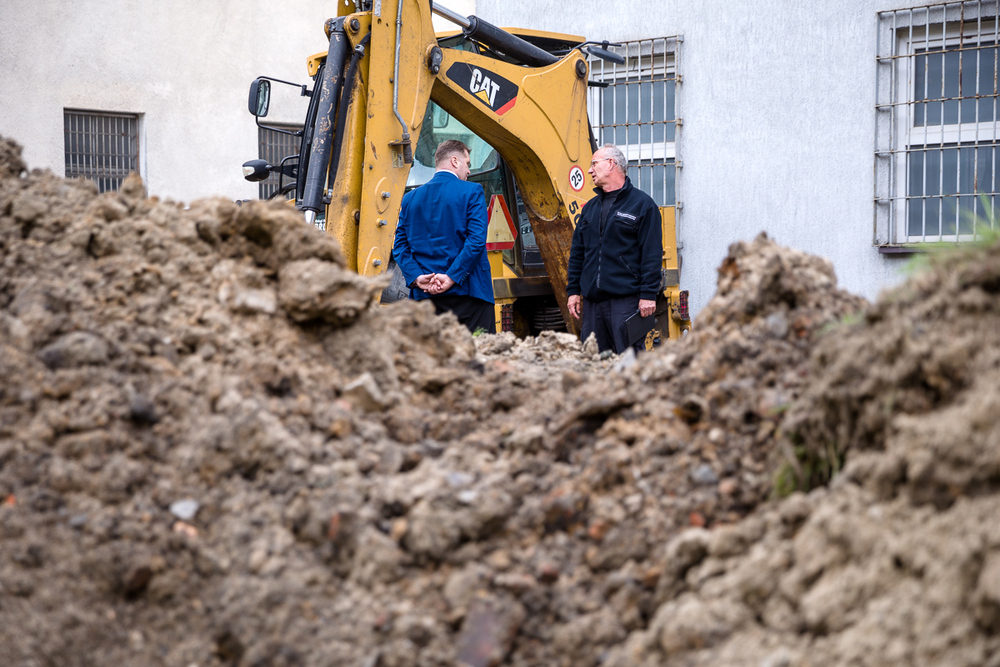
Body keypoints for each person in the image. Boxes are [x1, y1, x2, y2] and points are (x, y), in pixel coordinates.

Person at [392, 139, 496, 333]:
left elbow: (399, 246)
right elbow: (476, 241)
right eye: (467, 163)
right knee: (479, 350)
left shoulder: (410, 199)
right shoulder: (472, 191)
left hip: (424, 298)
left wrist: (416, 277)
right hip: (469, 295)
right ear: (455, 161)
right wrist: (451, 277)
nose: (469, 171)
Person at [566, 144, 663, 353]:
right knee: (593, 361)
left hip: (625, 302)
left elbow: (652, 254)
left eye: (594, 164)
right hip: (592, 304)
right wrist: (573, 291)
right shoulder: (590, 208)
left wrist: (648, 294)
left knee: (629, 361)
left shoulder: (643, 205)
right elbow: (578, 253)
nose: (590, 170)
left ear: (611, 164)